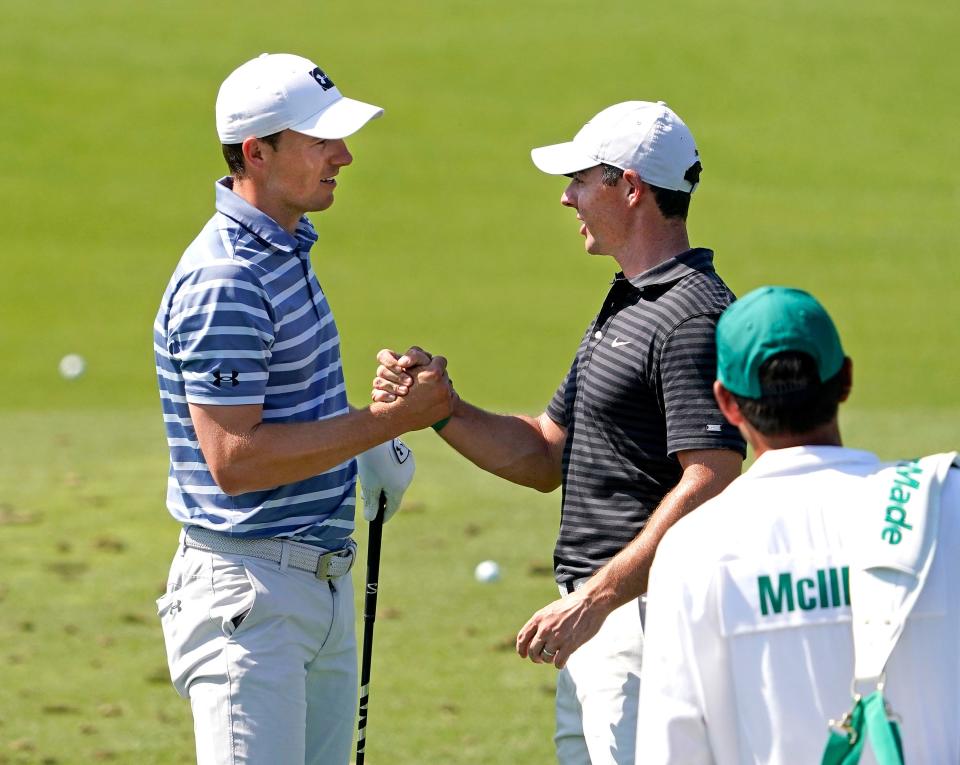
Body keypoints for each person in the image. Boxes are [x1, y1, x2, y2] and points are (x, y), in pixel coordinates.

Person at [373, 101, 745, 764]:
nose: (566, 196)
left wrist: (598, 597)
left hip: (647, 621)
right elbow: (547, 452)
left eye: (581, 178)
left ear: (630, 187)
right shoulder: (629, 301)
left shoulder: (691, 313)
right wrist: (440, 409)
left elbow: (713, 476)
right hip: (604, 622)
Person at [153, 53, 454, 765]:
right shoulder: (227, 276)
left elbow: (292, 417)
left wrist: (375, 419)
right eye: (321, 141)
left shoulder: (284, 250)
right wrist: (387, 424)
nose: (343, 156)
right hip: (249, 598)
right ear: (257, 152)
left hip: (313, 585)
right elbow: (236, 459)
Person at [636, 286, 960, 763]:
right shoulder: (945, 502)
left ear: (726, 402)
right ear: (845, 379)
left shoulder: (693, 548)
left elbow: (672, 749)